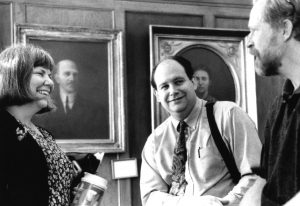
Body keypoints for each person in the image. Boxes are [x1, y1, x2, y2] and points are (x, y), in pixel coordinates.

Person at [140, 56, 262, 206]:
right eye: (164, 86)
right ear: (157, 94)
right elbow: (150, 197)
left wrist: (225, 203)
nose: (173, 91)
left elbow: (256, 174)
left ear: (193, 82)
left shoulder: (228, 115)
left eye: (178, 82)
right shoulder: (155, 141)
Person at [0, 44, 76, 206]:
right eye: (41, 73)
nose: (50, 82)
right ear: (16, 75)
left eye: (50, 75)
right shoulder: (3, 129)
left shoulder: (44, 134)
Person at [240, 0, 300, 205]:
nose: (248, 42)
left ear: (285, 29)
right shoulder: (278, 107)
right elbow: (265, 176)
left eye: (254, 31)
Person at [34, 59, 108, 139]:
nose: (72, 79)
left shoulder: (96, 110)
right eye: (67, 74)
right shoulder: (42, 107)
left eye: (75, 74)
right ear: (57, 78)